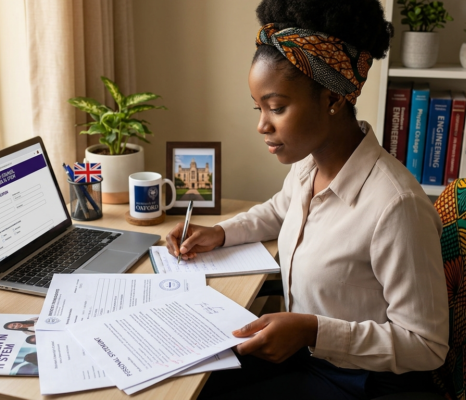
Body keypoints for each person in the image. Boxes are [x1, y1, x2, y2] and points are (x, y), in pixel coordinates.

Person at [165, 1, 449, 399]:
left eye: (276, 108)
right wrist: (219, 233)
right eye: (259, 107)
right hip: (307, 353)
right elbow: (279, 211)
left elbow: (427, 345)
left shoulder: (396, 207)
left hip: (365, 381)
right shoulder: (309, 166)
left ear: (333, 99)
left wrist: (314, 330)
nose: (262, 125)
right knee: (187, 376)